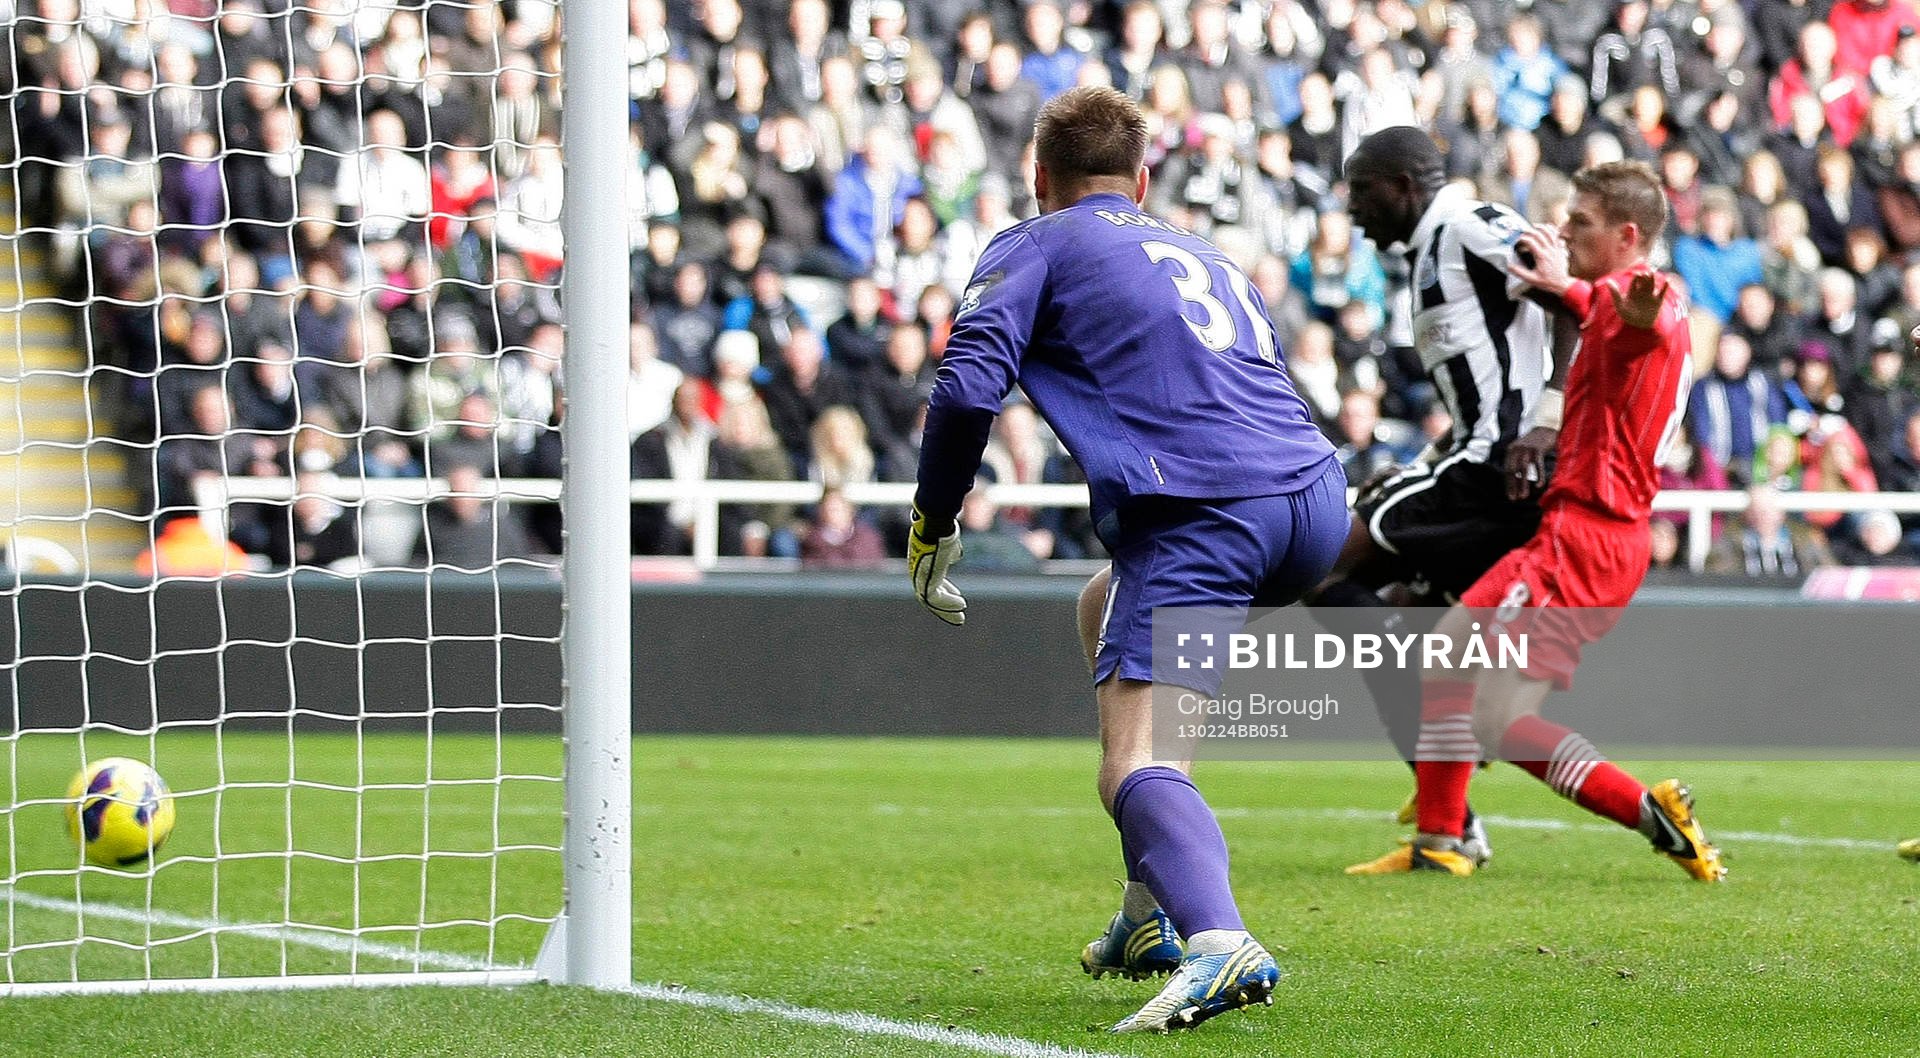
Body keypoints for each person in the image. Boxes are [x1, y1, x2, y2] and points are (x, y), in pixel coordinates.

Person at [909, 86, 1343, 1033]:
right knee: (1101, 608)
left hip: (1203, 511)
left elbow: (968, 381)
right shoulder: (1206, 251)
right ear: (1142, 180)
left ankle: (1221, 944)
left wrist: (933, 515)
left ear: (1038, 179)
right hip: (1311, 501)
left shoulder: (1039, 241)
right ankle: (1147, 919)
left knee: (1131, 762)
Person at [1349, 160, 1723, 884]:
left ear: (1626, 235)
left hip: (1589, 535)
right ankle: (1650, 816)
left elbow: (1634, 321)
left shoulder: (1640, 298)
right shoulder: (1616, 300)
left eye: (1579, 222)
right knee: (1499, 717)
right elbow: (1610, 323)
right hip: (1593, 534)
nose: (1561, 229)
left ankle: (1446, 840)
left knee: (1449, 657)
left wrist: (1571, 289)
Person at [1310, 126, 1570, 865]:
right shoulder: (1427, 256)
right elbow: (1474, 391)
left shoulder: (1468, 224)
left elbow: (1570, 299)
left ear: (1402, 186)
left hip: (1495, 470)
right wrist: (1420, 458)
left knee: (1328, 570)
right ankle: (1447, 818)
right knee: (1397, 612)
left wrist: (1546, 423)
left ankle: (1441, 795)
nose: (1352, 208)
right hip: (1468, 460)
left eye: (1360, 190)